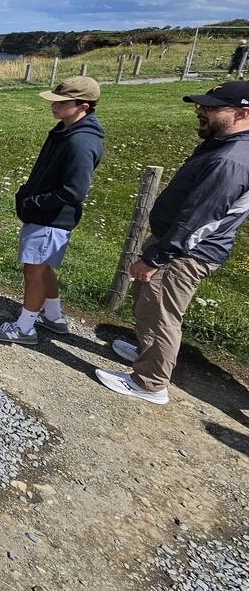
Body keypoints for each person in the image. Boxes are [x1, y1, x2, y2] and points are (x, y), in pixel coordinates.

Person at [96, 81, 249, 405]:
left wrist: (156, 258)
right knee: (147, 302)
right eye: (201, 105)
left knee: (162, 313)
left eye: (210, 107)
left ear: (242, 113)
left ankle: (150, 383)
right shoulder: (223, 145)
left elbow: (200, 219)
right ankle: (146, 352)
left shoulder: (230, 160)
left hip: (183, 253)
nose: (200, 111)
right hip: (175, 245)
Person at [0, 77, 105, 345]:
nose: (55, 106)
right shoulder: (66, 131)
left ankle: (25, 328)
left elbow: (74, 190)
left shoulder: (81, 142)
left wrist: (33, 202)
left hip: (51, 218)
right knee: (44, 265)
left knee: (34, 270)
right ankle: (53, 316)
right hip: (46, 215)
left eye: (62, 103)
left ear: (83, 106)